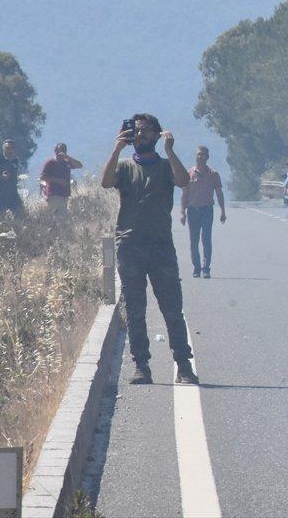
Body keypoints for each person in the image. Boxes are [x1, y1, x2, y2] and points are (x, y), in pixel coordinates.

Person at [102, 113, 198, 385]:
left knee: (172, 308)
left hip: (160, 247)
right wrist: (117, 147)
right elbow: (106, 182)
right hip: (130, 245)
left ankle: (184, 365)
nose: (140, 135)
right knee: (135, 308)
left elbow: (183, 181)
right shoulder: (123, 166)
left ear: (157, 135)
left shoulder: (166, 166)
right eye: (137, 131)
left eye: (146, 131)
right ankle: (141, 366)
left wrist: (170, 150)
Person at [180, 145, 226, 278]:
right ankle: (196, 267)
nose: (201, 157)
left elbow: (219, 193)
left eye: (204, 155)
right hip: (192, 210)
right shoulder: (189, 174)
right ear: (196, 156)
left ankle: (206, 268)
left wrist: (222, 211)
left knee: (206, 239)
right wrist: (182, 212)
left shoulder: (213, 174)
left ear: (208, 157)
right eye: (199, 154)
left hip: (207, 210)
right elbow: (185, 194)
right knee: (193, 240)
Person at [0, 139, 26, 221]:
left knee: (21, 216)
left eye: (11, 148)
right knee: (0, 219)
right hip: (0, 196)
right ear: (3, 148)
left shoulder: (15, 161)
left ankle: (19, 232)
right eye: (7, 148)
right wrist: (1, 177)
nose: (9, 150)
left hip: (13, 194)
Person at [39, 142, 83, 214]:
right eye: (60, 150)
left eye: (64, 150)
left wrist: (68, 157)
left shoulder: (67, 162)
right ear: (55, 151)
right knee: (54, 216)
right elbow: (43, 177)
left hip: (64, 194)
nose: (62, 152)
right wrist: (58, 181)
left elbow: (79, 165)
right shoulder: (50, 163)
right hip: (53, 195)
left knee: (63, 217)